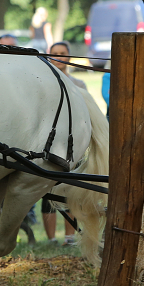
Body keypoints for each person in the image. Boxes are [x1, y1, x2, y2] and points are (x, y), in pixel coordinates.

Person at [43, 41, 82, 245]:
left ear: (69, 57)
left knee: (70, 191)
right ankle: (50, 239)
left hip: (73, 146)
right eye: (55, 53)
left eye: (63, 53)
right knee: (46, 190)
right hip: (48, 145)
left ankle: (70, 236)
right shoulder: (44, 83)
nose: (59, 57)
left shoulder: (79, 84)